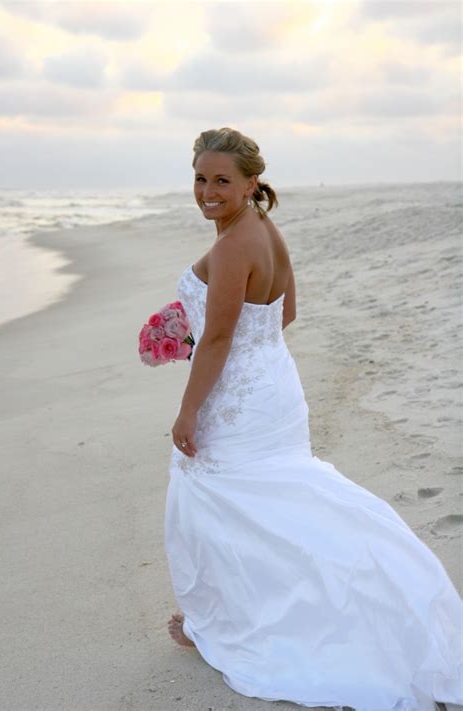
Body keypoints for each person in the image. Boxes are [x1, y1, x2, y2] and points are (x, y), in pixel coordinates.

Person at [164, 127, 462, 710]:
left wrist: (189, 406)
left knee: (225, 502)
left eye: (222, 180)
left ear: (252, 182)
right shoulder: (265, 230)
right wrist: (221, 338)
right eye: (200, 178)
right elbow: (284, 312)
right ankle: (236, 612)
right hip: (273, 384)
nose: (207, 191)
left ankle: (228, 624)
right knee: (275, 502)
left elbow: (220, 337)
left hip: (240, 396)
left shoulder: (231, 246)